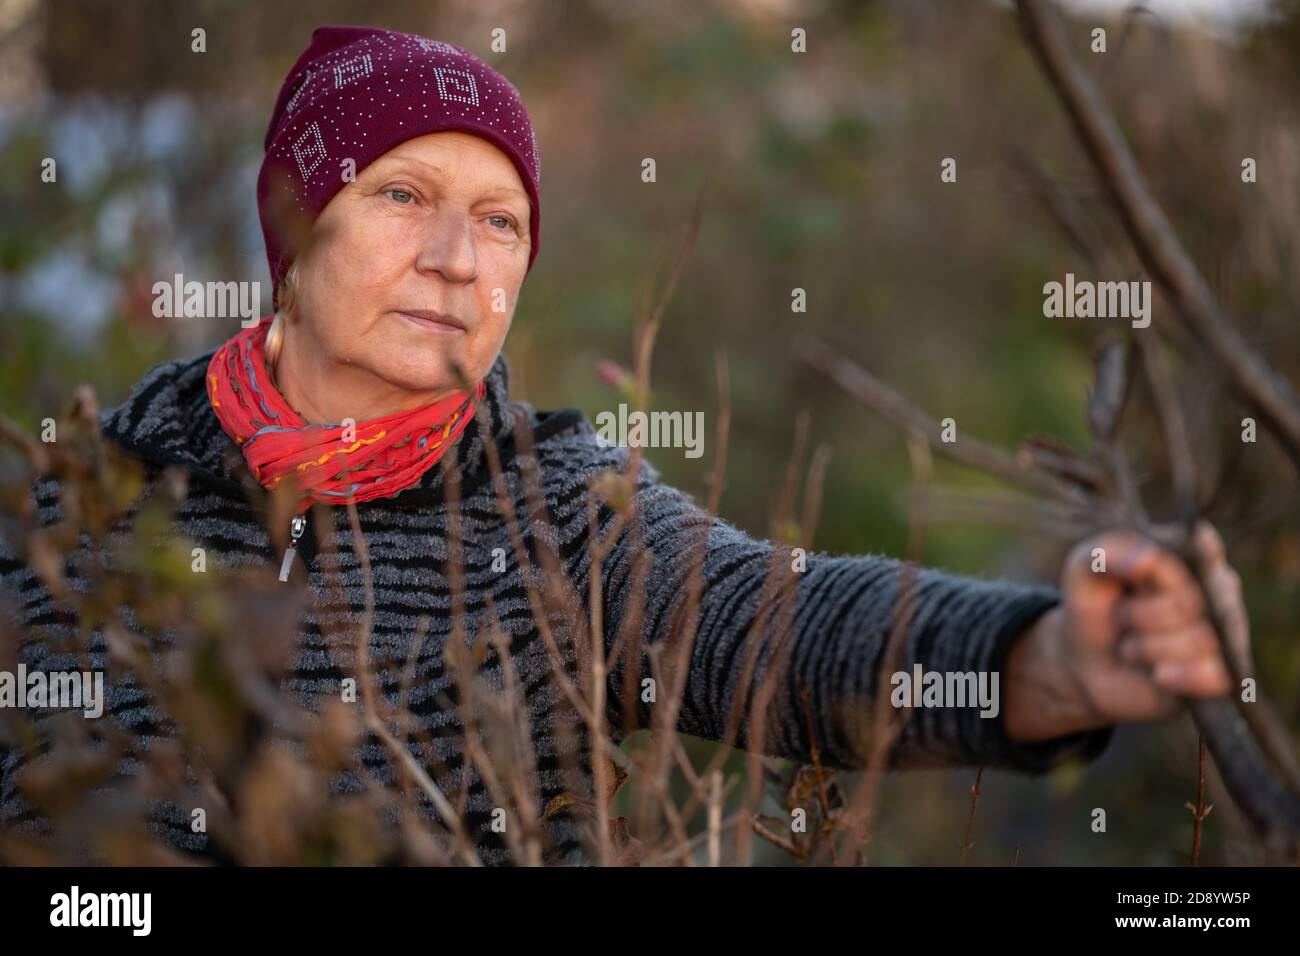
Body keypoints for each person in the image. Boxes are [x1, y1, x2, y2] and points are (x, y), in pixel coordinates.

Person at [0, 25, 1247, 866]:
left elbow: (795, 629)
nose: (457, 262)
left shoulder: (555, 515)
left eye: (499, 220)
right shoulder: (76, 513)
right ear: (291, 220)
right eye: (402, 197)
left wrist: (1045, 661)